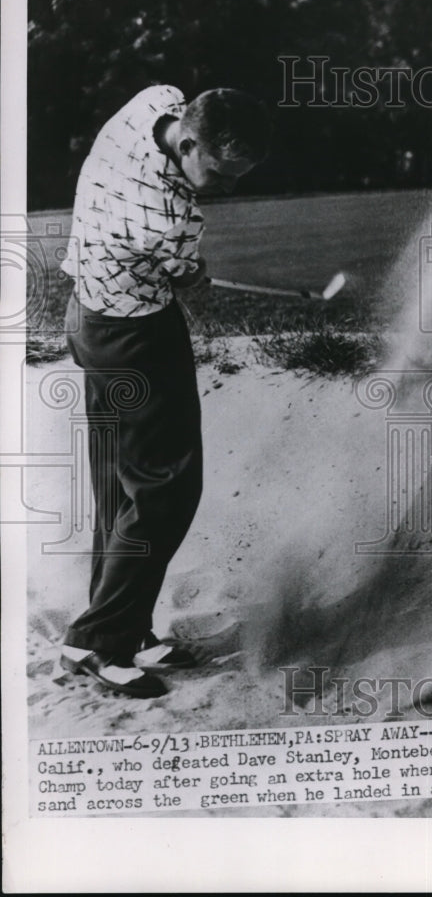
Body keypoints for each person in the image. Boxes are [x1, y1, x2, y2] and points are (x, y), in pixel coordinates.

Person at [58, 85, 271, 698]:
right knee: (165, 490)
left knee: (120, 488)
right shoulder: (174, 216)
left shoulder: (153, 101)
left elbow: (172, 266)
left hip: (87, 318)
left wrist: (179, 269)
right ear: (190, 141)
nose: (225, 189)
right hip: (134, 339)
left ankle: (125, 623)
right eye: (221, 173)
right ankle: (97, 642)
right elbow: (184, 277)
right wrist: (192, 271)